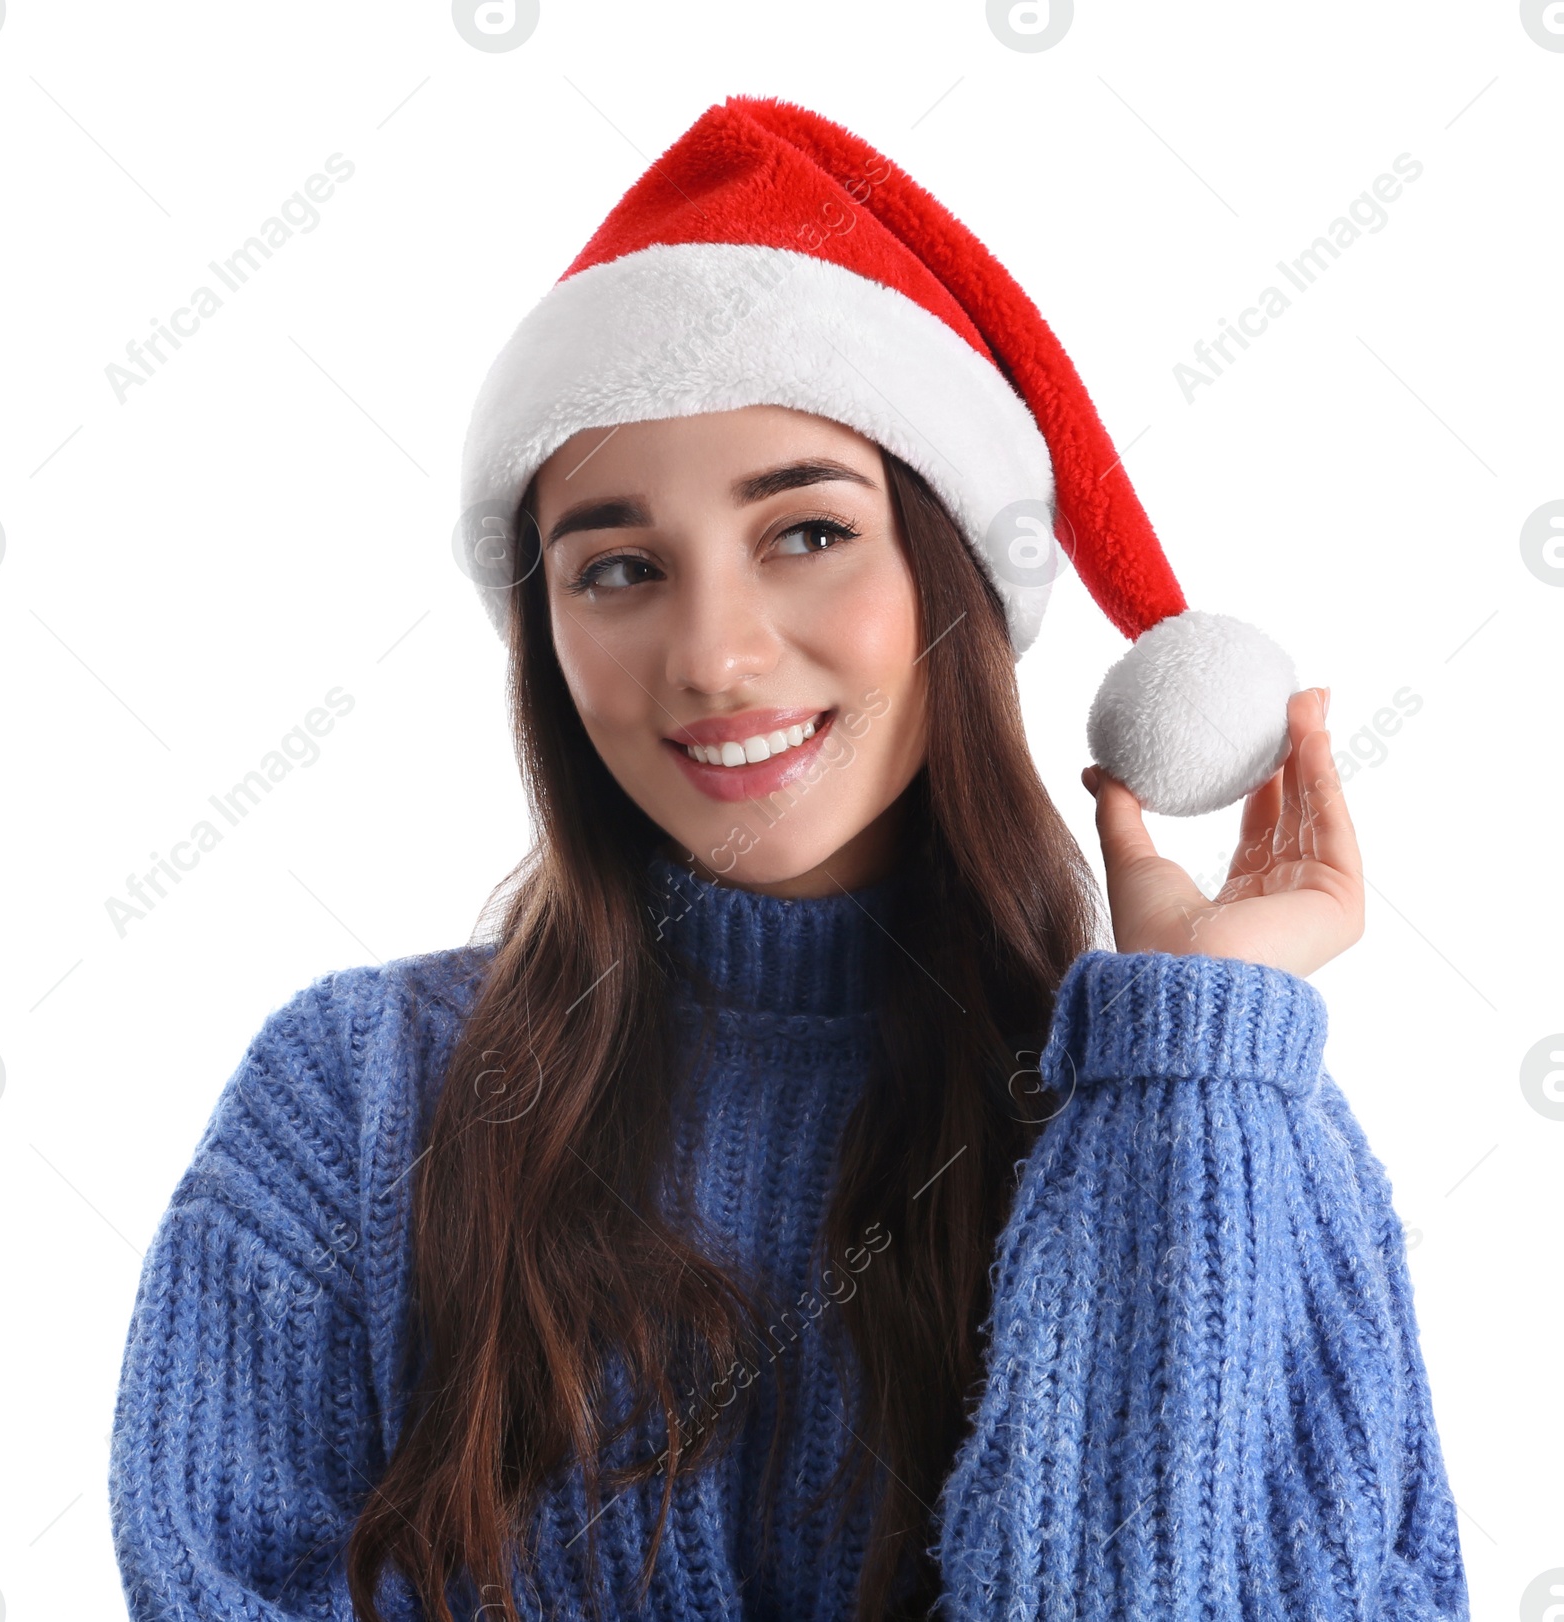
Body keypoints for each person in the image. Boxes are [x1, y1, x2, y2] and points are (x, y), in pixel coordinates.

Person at [107, 97, 1470, 1622]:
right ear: (545, 638)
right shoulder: (353, 1102)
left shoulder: (1220, 1105)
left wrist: (1180, 1061)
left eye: (806, 532)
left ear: (946, 572)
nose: (716, 654)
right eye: (618, 568)